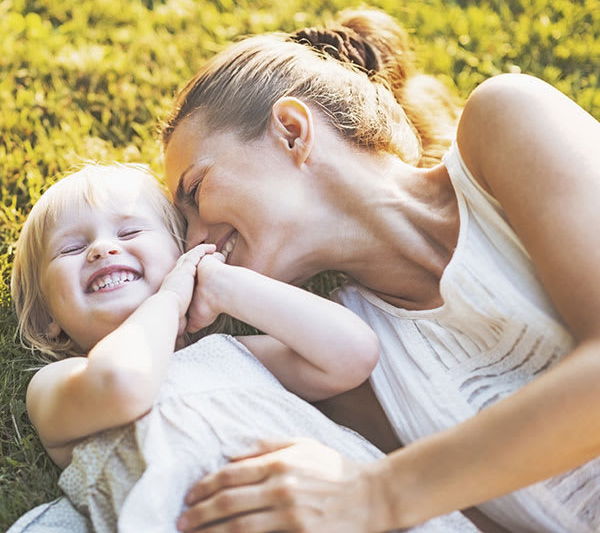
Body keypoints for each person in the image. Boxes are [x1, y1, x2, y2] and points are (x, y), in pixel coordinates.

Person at [160, 8, 600, 533]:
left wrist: (379, 493)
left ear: (292, 131)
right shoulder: (348, 369)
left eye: (196, 191)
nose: (193, 241)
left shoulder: (508, 120)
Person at [8, 163, 478, 532]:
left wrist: (224, 286)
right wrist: (171, 299)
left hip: (329, 507)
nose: (102, 250)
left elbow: (353, 353)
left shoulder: (233, 354)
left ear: (181, 256)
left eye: (129, 233)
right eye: (71, 249)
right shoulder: (60, 384)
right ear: (51, 321)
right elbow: (124, 383)